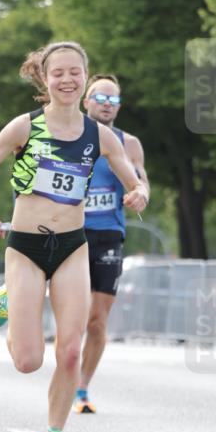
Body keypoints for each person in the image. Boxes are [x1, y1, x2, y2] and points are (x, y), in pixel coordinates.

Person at [0, 42, 148, 432]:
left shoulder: (99, 136)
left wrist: (138, 192)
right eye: (58, 73)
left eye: (75, 72)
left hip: (72, 247)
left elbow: (134, 179)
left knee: (69, 352)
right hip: (26, 247)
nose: (67, 79)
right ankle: (7, 300)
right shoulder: (24, 128)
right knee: (28, 361)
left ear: (85, 78)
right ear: (44, 80)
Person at [75, 74, 150, 414]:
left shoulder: (127, 142)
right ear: (86, 101)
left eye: (113, 100)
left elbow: (140, 180)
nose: (106, 104)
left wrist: (140, 194)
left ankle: (81, 389)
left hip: (107, 234)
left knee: (96, 321)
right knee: (72, 316)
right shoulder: (68, 136)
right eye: (100, 98)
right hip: (70, 234)